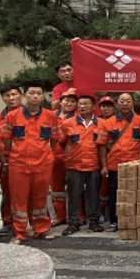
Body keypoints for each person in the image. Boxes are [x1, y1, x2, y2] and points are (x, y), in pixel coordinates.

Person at [0, 83, 63, 244]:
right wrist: (18, 151)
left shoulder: (50, 116)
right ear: (24, 96)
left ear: (43, 96)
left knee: (40, 198)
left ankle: (41, 229)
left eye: (39, 93)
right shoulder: (13, 116)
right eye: (31, 93)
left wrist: (43, 151)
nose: (35, 96)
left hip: (43, 164)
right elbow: (6, 139)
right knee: (18, 199)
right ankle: (19, 233)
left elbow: (55, 139)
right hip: (19, 164)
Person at [98, 93, 140, 232]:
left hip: (135, 165)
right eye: (122, 101)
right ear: (117, 104)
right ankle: (114, 221)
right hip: (114, 165)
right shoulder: (108, 122)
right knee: (115, 194)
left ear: (132, 104)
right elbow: (102, 145)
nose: (125, 104)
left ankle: (133, 221)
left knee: (135, 194)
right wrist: (104, 166)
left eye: (128, 101)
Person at [60, 95, 104, 235]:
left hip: (94, 164)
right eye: (80, 104)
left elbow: (103, 145)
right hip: (74, 165)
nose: (82, 106)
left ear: (93, 107)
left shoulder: (102, 123)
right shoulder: (68, 123)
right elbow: (62, 142)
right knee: (73, 195)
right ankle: (73, 222)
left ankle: (94, 221)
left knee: (93, 194)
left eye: (86, 104)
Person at [0, 85, 22, 236]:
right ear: (3, 98)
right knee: (8, 193)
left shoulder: (31, 114)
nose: (11, 98)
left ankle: (37, 223)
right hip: (7, 160)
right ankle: (8, 222)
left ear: (21, 96)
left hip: (29, 159)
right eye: (7, 95)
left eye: (14, 94)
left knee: (34, 194)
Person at [50, 88, 78, 226]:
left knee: (75, 188)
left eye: (73, 101)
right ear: (60, 102)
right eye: (66, 100)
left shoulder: (79, 117)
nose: (69, 103)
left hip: (72, 158)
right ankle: (59, 216)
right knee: (57, 190)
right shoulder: (50, 116)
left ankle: (78, 216)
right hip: (53, 159)